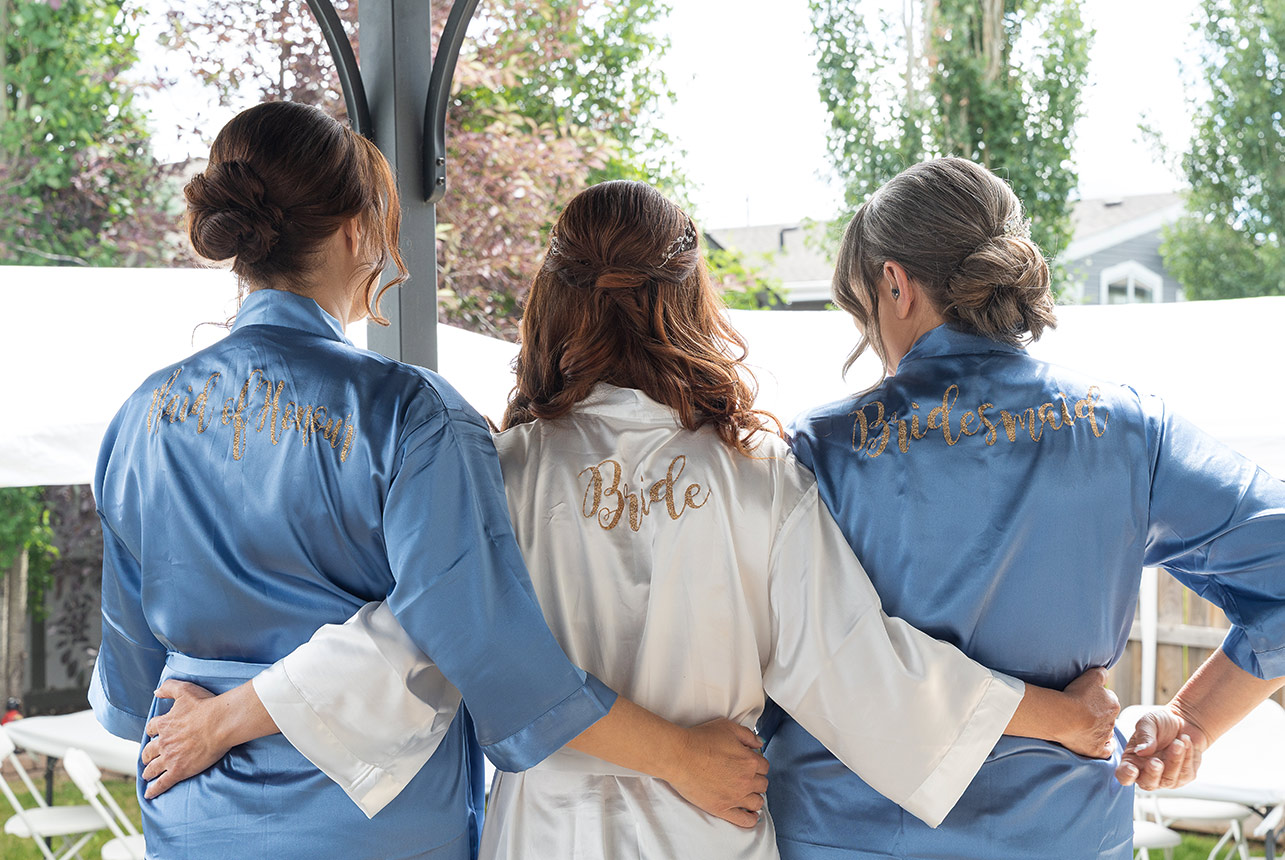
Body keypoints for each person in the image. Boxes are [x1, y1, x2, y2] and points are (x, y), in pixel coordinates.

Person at [139, 180, 1123, 860]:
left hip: (543, 832)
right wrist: (1060, 715)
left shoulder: (499, 470)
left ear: (552, 303)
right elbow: (861, 668)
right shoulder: (760, 484)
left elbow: (413, 635)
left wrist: (230, 714)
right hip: (710, 826)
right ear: (691, 296)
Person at [88, 102, 772, 860]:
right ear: (354, 231)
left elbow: (129, 672)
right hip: (363, 821)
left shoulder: (140, 414)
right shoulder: (409, 411)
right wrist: (681, 757)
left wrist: (215, 719)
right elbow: (481, 638)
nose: (397, 265)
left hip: (191, 810)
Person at [760, 157, 1285, 860]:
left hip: (841, 833)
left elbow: (770, 658)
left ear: (893, 282)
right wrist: (1191, 719)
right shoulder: (1127, 429)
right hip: (1061, 836)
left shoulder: (816, 448)